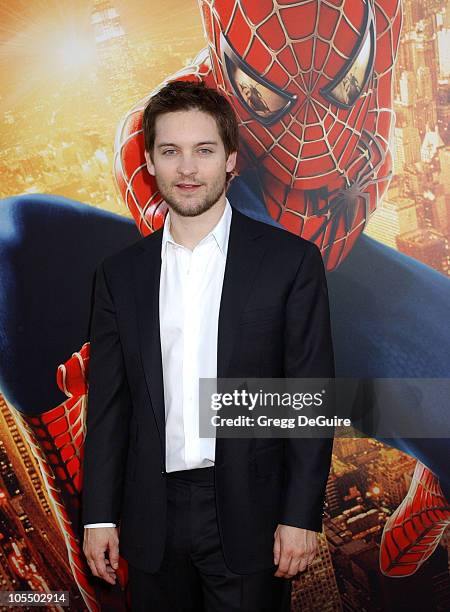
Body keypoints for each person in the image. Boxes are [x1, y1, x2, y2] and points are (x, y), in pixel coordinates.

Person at [81, 80, 334, 611]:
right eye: (170, 151)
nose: (187, 169)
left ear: (231, 159)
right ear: (150, 162)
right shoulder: (118, 276)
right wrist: (99, 515)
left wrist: (300, 514)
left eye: (204, 150)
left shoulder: (291, 262)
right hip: (151, 517)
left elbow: (308, 398)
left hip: (254, 515)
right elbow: (108, 405)